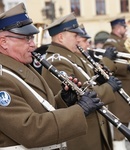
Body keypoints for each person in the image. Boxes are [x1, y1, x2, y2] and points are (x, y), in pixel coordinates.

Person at [0, 3, 104, 150]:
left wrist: (63, 100)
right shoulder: (3, 77)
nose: (33, 45)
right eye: (27, 38)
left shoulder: (22, 67)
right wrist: (80, 111)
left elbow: (40, 108)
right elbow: (29, 130)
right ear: (4, 42)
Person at [42, 13, 122, 150]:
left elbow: (88, 83)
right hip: (81, 136)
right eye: (75, 36)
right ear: (61, 37)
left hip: (93, 126)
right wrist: (108, 88)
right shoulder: (57, 61)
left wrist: (102, 79)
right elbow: (81, 94)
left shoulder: (71, 57)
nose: (79, 39)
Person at [102, 17, 130, 150]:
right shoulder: (110, 42)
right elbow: (109, 63)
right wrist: (127, 67)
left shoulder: (123, 40)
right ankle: (118, 143)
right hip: (120, 85)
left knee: (126, 116)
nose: (126, 30)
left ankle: (122, 139)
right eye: (124, 27)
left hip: (129, 83)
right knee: (119, 116)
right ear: (118, 27)